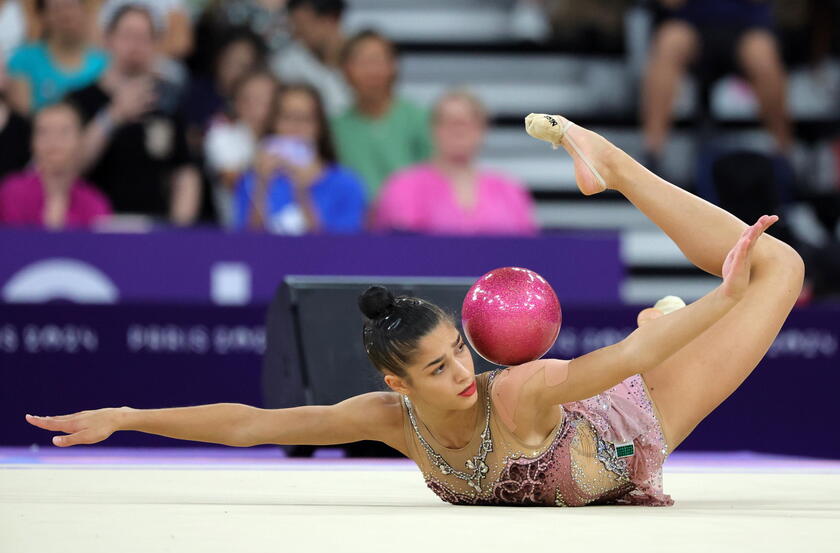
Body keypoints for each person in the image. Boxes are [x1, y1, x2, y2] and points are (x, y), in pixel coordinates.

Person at [24, 112, 805, 508]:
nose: (464, 371)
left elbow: (622, 368)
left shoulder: (515, 389)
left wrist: (725, 296)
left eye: (460, 351)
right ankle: (667, 318)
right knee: (675, 321)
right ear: (398, 383)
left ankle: (614, 163)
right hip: (618, 394)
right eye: (438, 366)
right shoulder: (392, 420)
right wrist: (127, 415)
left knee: (779, 266)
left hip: (634, 418)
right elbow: (251, 422)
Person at [66, 3, 201, 225]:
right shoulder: (81, 100)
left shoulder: (168, 101)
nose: (135, 46)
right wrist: (113, 116)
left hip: (152, 229)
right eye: (127, 35)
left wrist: (180, 229)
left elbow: (185, 172)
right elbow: (71, 168)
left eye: (144, 37)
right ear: (108, 40)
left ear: (155, 45)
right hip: (91, 227)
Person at [641, 0, 793, 171]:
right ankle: (652, 155)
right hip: (691, 25)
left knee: (762, 57)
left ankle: (784, 155)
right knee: (669, 42)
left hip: (746, 27)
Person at [372, 89, 538, 236]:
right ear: (432, 129)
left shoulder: (509, 190)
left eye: (467, 122)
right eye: (448, 121)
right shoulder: (402, 186)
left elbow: (528, 249)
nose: (458, 129)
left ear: (483, 129)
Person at [232, 83, 365, 234]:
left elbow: (340, 249)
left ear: (320, 126)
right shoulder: (251, 180)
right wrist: (261, 186)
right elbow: (245, 244)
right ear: (273, 123)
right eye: (287, 117)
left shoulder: (346, 184)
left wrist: (301, 190)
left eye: (305, 119)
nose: (295, 127)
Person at [331, 29, 432, 201]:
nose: (371, 71)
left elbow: (434, 180)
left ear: (393, 67)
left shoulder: (420, 119)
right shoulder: (333, 128)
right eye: (362, 62)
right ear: (345, 70)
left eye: (378, 61)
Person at [0, 101, 111, 228]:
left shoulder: (94, 203)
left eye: (64, 132)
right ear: (32, 142)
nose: (53, 141)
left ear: (80, 140)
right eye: (44, 132)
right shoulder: (11, 193)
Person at [6, 0, 108, 114]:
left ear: (84, 11)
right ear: (43, 16)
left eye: (71, 7)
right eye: (57, 9)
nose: (66, 14)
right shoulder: (23, 60)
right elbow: (21, 117)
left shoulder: (105, 63)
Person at [204, 69, 277, 226]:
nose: (258, 105)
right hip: (236, 230)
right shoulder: (222, 136)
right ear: (237, 102)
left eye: (267, 98)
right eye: (250, 98)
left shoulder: (286, 139)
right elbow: (234, 183)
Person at [271, 0, 351, 116]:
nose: (297, 33)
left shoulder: (366, 58)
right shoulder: (286, 64)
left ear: (330, 20)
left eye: (303, 25)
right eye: (294, 26)